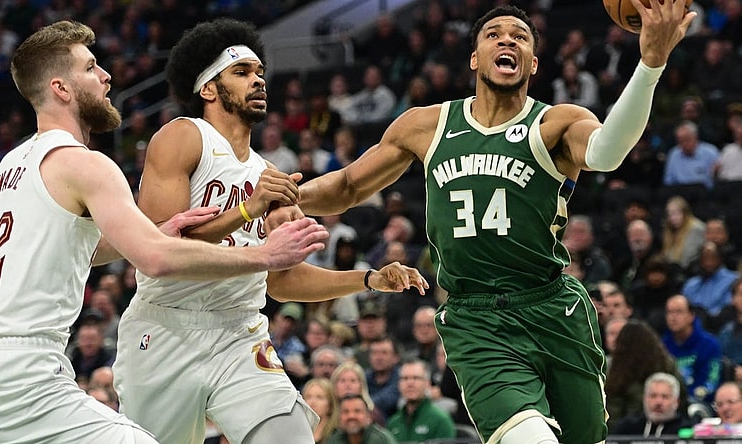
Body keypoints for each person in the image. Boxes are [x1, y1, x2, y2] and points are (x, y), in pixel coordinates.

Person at [285, 3, 695, 442]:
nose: (507, 40)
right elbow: (348, 185)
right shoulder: (426, 125)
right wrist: (289, 195)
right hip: (476, 319)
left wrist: (650, 65)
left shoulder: (556, 122)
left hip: (553, 310)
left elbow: (607, 153)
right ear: (474, 57)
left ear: (532, 63)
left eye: (520, 36)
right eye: (494, 34)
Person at [0, 19, 334, 444]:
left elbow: (79, 248)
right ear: (61, 88)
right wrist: (265, 255)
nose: (106, 76)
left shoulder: (10, 164)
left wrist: (155, 230)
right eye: (90, 67)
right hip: (23, 374)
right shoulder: (87, 164)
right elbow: (155, 259)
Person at [111, 18, 428, 444]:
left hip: (239, 332)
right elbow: (158, 251)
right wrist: (247, 208)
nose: (258, 81)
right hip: (166, 328)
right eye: (241, 73)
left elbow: (280, 280)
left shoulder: (267, 172)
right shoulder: (183, 137)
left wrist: (369, 279)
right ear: (208, 89)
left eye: (260, 73)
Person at [386, 358, 457, 442]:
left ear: (427, 383)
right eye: (405, 378)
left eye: (416, 378)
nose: (410, 383)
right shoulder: (393, 422)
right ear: (398, 384)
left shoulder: (441, 420)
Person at [609, 372, 694, 437]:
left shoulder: (686, 430)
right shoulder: (627, 427)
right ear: (644, 399)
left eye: (665, 397)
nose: (658, 402)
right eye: (653, 396)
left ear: (677, 402)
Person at [326, 393, 397, 444]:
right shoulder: (334, 440)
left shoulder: (382, 439)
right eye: (346, 412)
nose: (351, 416)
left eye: (357, 411)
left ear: (368, 417)